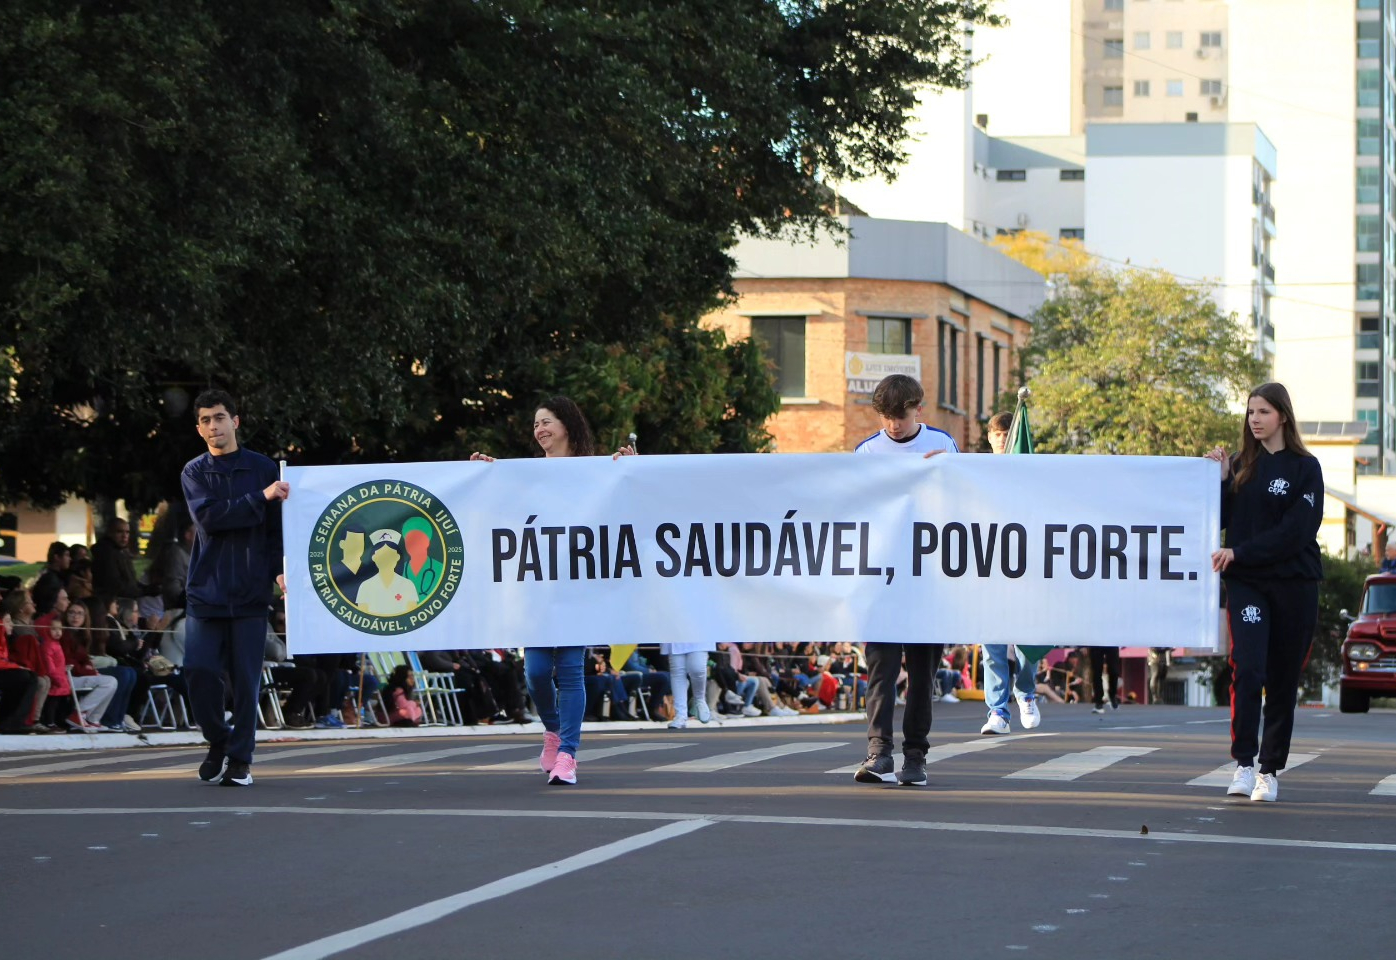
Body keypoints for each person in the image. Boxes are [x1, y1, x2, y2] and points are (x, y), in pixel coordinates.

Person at [468, 395, 633, 784]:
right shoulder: (524, 474)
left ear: (567, 425)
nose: (539, 430)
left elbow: (626, 508)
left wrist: (631, 469)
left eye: (547, 422)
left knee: (571, 671)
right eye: (535, 424)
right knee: (537, 672)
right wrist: (485, 476)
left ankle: (568, 755)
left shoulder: (597, 470)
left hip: (578, 586)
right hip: (535, 588)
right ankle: (554, 731)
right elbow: (499, 512)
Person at [1205, 382, 1323, 804]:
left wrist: (1241, 551)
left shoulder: (1306, 468)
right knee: (1248, 668)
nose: (1254, 419)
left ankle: (1269, 770)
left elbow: (1297, 532)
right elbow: (1213, 521)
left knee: (1282, 678)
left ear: (1283, 417)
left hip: (1295, 583)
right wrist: (1219, 481)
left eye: (1263, 412)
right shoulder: (1239, 466)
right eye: (1250, 412)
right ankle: (1243, 763)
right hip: (1247, 583)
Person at [851, 374, 957, 786]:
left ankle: (916, 755)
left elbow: (958, 505)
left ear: (919, 409)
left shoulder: (943, 445)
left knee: (921, 673)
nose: (894, 425)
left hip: (928, 580)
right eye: (886, 417)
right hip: (883, 578)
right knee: (881, 669)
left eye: (901, 415)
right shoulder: (867, 451)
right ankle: (879, 752)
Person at [181, 389, 287, 787]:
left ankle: (241, 761)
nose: (214, 426)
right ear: (199, 428)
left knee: (246, 679)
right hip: (205, 590)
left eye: (220, 417)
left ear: (235, 421)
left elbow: (276, 530)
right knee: (198, 670)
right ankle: (218, 739)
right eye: (206, 420)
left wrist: (279, 571)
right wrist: (260, 498)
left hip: (250, 592)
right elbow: (209, 519)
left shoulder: (265, 468)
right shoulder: (193, 472)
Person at [979, 412, 1043, 735]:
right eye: (997, 434)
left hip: (1025, 569)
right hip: (987, 567)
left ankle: (1026, 693)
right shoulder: (977, 473)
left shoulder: (1032, 472)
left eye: (1008, 433)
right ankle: (997, 711)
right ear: (989, 438)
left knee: (1027, 642)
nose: (1003, 438)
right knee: (990, 643)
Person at [353, 530, 420, 616]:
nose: (386, 560)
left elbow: (412, 615)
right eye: (381, 555)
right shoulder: (365, 586)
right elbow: (362, 616)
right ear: (374, 558)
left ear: (397, 557)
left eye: (390, 555)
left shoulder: (408, 585)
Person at [91, 518, 141, 602]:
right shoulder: (106, 553)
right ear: (110, 533)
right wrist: (142, 592)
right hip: (113, 603)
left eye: (127, 532)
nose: (124, 536)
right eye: (119, 532)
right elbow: (115, 586)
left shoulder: (121, 551)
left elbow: (129, 581)